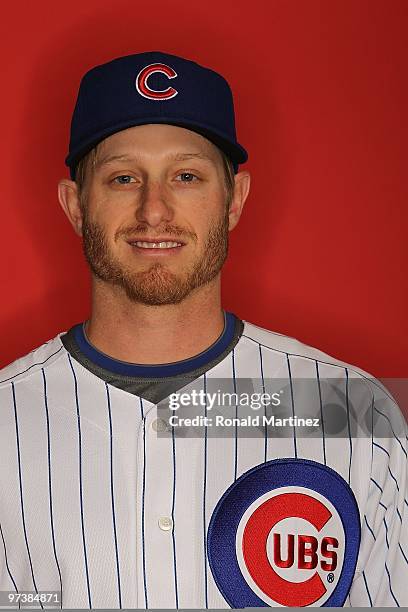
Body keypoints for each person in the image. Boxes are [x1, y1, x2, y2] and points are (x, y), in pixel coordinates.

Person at [0, 51, 406, 609]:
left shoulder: (354, 410)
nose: (155, 210)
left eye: (186, 176)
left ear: (234, 199)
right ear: (75, 205)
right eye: (123, 178)